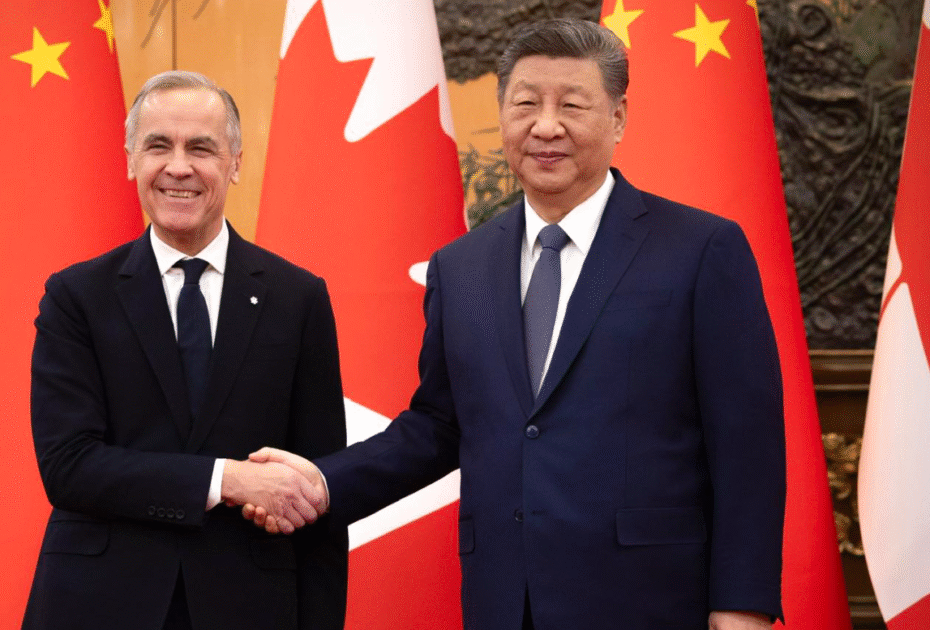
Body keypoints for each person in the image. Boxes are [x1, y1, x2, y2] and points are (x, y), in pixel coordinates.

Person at [246, 18, 785, 630]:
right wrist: (321, 481)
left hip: (650, 600)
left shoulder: (700, 249)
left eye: (572, 105)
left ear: (619, 117)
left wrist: (742, 606)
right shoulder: (462, 266)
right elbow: (440, 426)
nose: (545, 126)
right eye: (525, 104)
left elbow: (747, 443)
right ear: (503, 116)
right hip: (507, 601)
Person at [22, 70, 346, 630]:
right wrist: (228, 479)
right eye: (158, 146)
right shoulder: (76, 297)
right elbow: (69, 466)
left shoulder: (298, 298)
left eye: (201, 147)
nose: (179, 167)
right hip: (101, 605)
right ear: (130, 161)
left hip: (251, 606)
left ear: (236, 162)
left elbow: (316, 487)